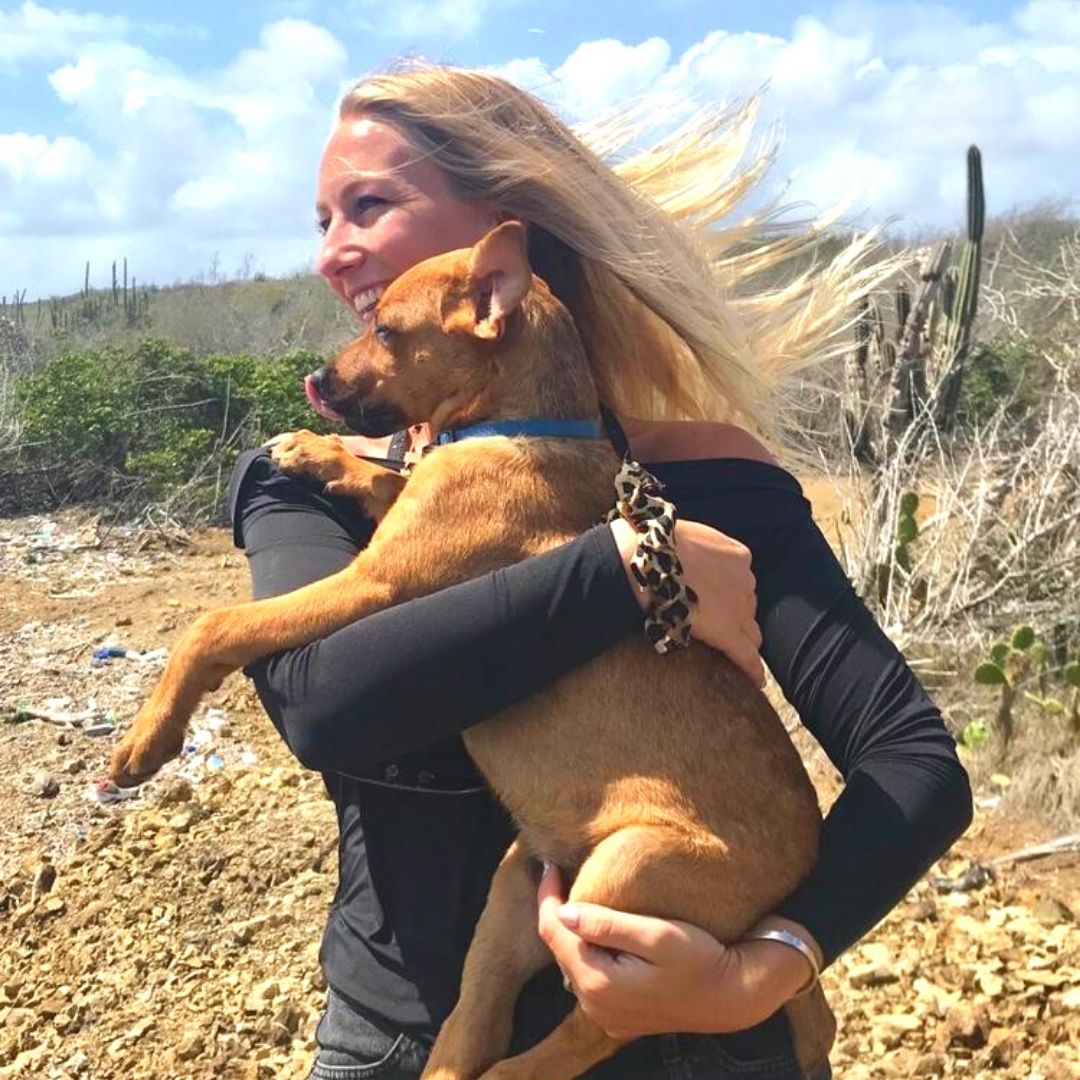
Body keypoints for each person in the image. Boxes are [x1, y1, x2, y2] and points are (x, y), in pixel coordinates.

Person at [227, 64, 973, 1080]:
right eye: (323, 221)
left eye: (369, 206)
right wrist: (633, 569)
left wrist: (762, 973)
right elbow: (322, 704)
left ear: (503, 243)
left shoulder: (711, 473)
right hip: (409, 1044)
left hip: (707, 1054)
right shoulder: (315, 480)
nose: (330, 254)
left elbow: (913, 762)